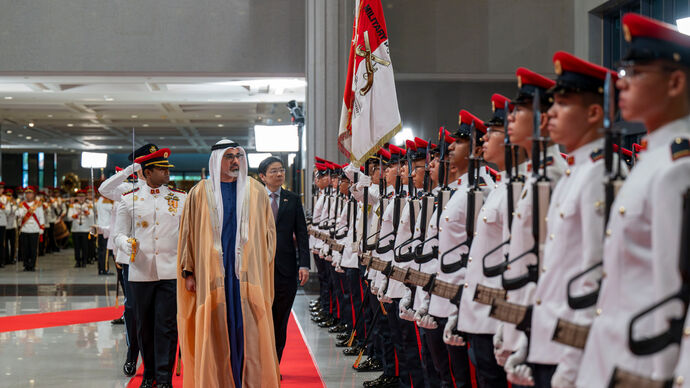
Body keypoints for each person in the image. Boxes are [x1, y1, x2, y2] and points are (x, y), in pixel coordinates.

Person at [578, 13, 690, 386]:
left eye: (636, 74)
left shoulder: (676, 168)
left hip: (645, 365)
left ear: (675, 82)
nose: (621, 85)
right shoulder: (652, 161)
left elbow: (674, 293)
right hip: (614, 356)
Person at [177, 139, 279, 388]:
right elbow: (188, 233)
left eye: (238, 156)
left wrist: (258, 264)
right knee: (215, 330)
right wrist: (189, 271)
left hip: (246, 277)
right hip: (212, 276)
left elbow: (268, 234)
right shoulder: (199, 192)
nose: (235, 161)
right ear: (216, 160)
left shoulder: (255, 191)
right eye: (229, 156)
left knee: (249, 330)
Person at [114, 146, 186, 388]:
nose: (167, 173)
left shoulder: (180, 198)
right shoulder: (129, 199)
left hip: (170, 271)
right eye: (161, 169)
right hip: (140, 271)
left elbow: (187, 236)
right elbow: (118, 235)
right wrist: (126, 244)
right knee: (144, 325)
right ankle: (149, 375)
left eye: (167, 170)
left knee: (167, 325)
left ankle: (164, 378)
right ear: (147, 172)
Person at [257, 156, 310, 363]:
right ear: (262, 176)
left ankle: (274, 364)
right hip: (259, 268)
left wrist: (304, 264)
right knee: (261, 320)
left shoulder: (293, 199)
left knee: (280, 320)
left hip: (285, 270)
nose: (279, 174)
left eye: (281, 170)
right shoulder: (254, 199)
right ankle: (259, 365)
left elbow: (302, 234)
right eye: (273, 171)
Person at [16, 186, 44, 271]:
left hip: (34, 229)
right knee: (25, 249)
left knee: (33, 249)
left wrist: (41, 228)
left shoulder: (38, 204)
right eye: (27, 193)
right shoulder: (22, 204)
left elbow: (41, 217)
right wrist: (18, 212)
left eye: (30, 193)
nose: (28, 195)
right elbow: (18, 214)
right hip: (24, 229)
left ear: (33, 194)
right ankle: (26, 265)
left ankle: (32, 265)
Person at [67, 190, 95, 268]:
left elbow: (92, 216)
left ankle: (84, 261)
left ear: (85, 197)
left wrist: (86, 212)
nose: (81, 198)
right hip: (76, 229)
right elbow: (69, 217)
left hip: (85, 229)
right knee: (77, 247)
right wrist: (77, 214)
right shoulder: (73, 206)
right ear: (77, 197)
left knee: (85, 246)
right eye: (79, 196)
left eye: (82, 196)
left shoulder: (89, 205)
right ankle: (77, 261)